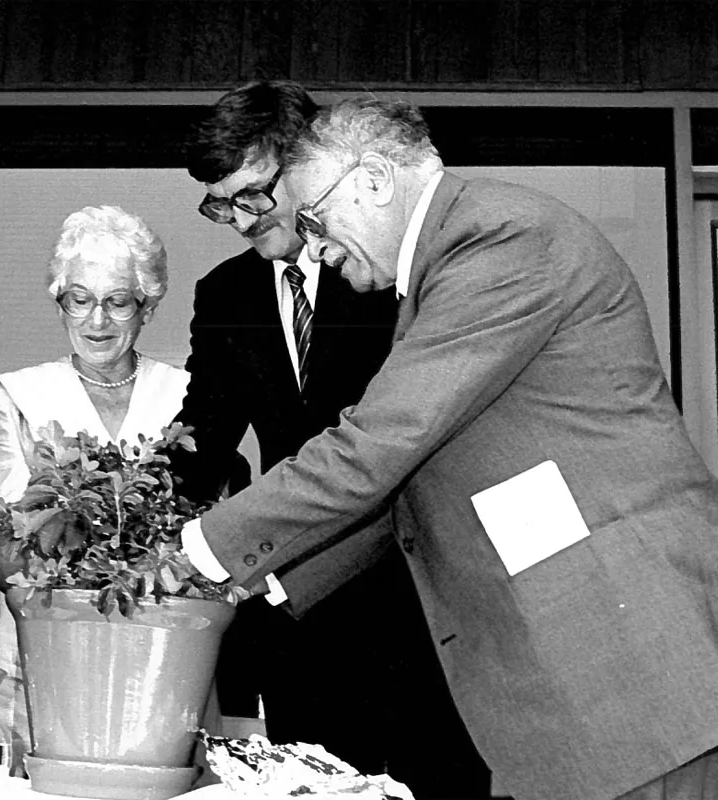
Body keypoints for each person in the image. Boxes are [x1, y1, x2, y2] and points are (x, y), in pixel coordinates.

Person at [183, 95, 718, 800]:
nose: (312, 247)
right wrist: (269, 581)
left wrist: (197, 552)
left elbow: (377, 446)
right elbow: (417, 479)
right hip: (560, 666)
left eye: (314, 219)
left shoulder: (499, 241)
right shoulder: (446, 265)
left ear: (374, 181)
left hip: (623, 660)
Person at [171, 81, 487, 797]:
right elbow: (202, 438)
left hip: (421, 609)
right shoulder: (224, 294)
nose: (239, 221)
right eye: (220, 205)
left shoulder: (394, 271)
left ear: (306, 167)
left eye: (254, 196)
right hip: (300, 617)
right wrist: (129, 514)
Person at [0, 205, 190, 766]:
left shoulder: (186, 395)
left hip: (163, 649)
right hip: (46, 643)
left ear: (147, 306)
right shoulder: (18, 394)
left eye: (118, 301)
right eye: (80, 299)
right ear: (60, 302)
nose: (97, 320)